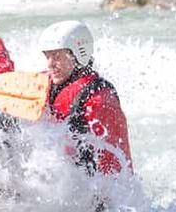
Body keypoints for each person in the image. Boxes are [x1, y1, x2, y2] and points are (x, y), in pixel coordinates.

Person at [39, 20, 133, 175]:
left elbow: (114, 167)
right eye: (47, 56)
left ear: (78, 54)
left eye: (56, 56)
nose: (49, 64)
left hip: (87, 188)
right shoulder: (48, 83)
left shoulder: (99, 100)